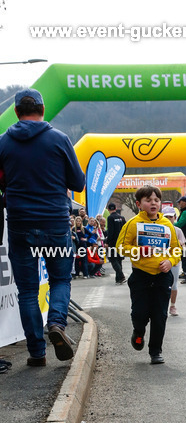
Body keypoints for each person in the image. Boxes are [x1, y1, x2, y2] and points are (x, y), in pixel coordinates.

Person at [0, 88, 85, 366]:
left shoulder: (3, 143)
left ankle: (37, 353)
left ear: (16, 112)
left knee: (27, 290)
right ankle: (57, 324)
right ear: (43, 109)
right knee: (60, 279)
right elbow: (78, 183)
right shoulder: (59, 140)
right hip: (55, 224)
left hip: (20, 224)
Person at [115, 185, 182, 363]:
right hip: (140, 276)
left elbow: (176, 250)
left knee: (160, 315)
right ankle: (138, 331)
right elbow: (120, 247)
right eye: (148, 200)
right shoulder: (132, 224)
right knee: (139, 314)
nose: (153, 203)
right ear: (139, 204)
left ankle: (155, 352)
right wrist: (138, 251)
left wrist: (170, 262)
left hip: (162, 277)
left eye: (156, 200)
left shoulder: (167, 224)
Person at [106, 202, 127, 283]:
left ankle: (121, 276)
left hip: (113, 242)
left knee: (113, 259)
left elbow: (110, 231)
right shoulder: (122, 218)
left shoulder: (110, 218)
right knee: (119, 260)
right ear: (115, 208)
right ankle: (118, 279)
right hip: (121, 241)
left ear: (108, 209)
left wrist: (107, 242)